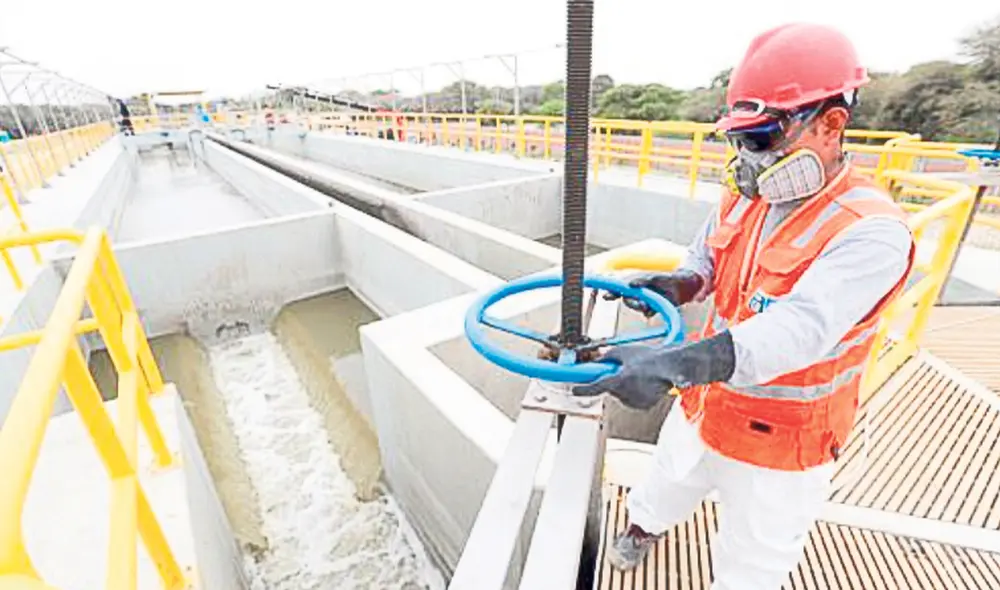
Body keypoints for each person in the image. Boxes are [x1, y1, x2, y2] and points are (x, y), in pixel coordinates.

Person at [573, 23, 915, 590]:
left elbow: (795, 333)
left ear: (832, 123)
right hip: (708, 402)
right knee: (666, 481)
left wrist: (669, 363)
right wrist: (679, 285)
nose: (747, 160)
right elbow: (706, 255)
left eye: (760, 139)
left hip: (783, 443)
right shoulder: (753, 191)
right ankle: (642, 529)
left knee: (752, 564)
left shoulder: (872, 232)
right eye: (738, 139)